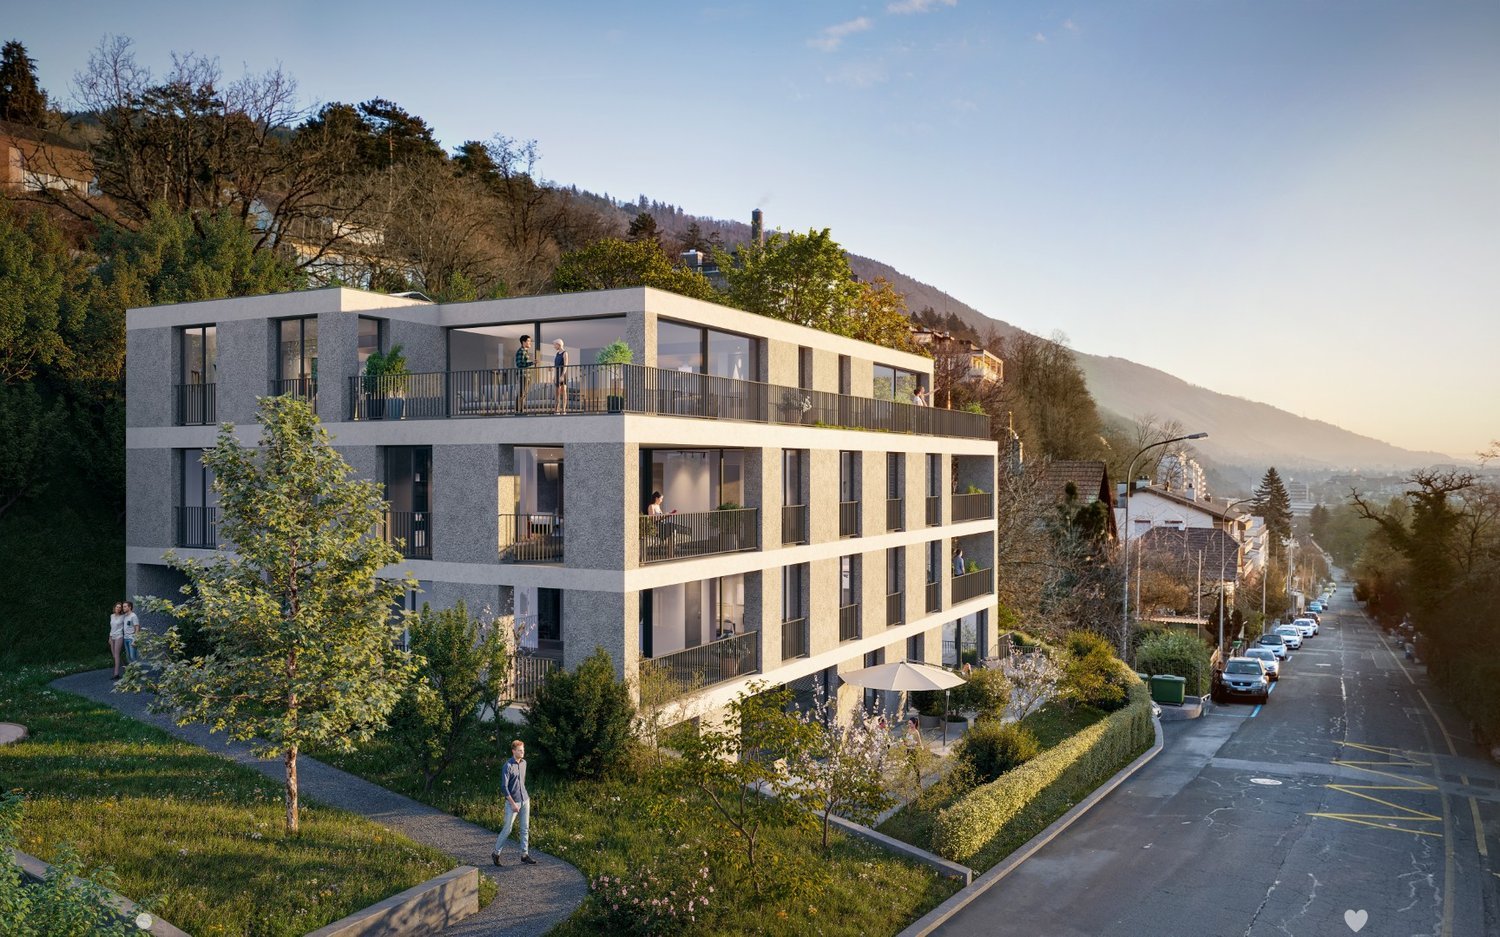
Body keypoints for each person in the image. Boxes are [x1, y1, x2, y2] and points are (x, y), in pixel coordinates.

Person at [492, 739, 537, 866]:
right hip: (513, 803)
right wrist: (512, 803)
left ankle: (524, 855)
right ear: (513, 751)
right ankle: (496, 853)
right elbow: (504, 787)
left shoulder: (524, 763)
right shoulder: (507, 766)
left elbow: (521, 782)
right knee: (507, 829)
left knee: (525, 828)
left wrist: (524, 798)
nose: (522, 752)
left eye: (523, 750)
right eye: (519, 750)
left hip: (525, 800)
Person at [647, 490, 680, 558]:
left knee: (672, 528)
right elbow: (652, 518)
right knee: (672, 526)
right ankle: (672, 550)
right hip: (656, 526)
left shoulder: (658, 506)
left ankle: (672, 551)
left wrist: (667, 514)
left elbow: (661, 516)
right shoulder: (651, 506)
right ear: (656, 498)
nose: (661, 500)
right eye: (661, 498)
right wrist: (663, 516)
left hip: (662, 524)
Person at [513, 335, 534, 413]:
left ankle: (520, 410)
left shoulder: (525, 351)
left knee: (524, 393)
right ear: (523, 342)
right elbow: (519, 364)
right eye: (528, 341)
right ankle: (518, 410)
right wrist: (532, 363)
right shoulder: (521, 351)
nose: (530, 342)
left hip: (527, 375)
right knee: (522, 392)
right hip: (523, 375)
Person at [551, 338, 569, 413]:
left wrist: (562, 375)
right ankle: (557, 409)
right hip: (557, 373)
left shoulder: (565, 353)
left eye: (555, 345)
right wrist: (555, 376)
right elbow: (556, 366)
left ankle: (564, 409)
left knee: (563, 391)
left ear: (558, 344)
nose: (554, 346)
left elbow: (565, 365)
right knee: (557, 392)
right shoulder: (557, 354)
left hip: (563, 373)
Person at [108, 602, 126, 679]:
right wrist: (109, 637)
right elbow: (111, 628)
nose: (118, 608)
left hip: (119, 636)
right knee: (114, 655)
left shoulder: (123, 616)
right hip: (112, 636)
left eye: (119, 607)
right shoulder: (111, 616)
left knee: (117, 654)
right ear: (114, 608)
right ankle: (126, 668)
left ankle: (116, 674)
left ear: (121, 609)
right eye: (117, 607)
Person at [121, 601, 141, 665]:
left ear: (129, 607)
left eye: (125, 606)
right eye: (123, 606)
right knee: (129, 657)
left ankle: (137, 670)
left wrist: (135, 640)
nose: (123, 608)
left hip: (131, 639)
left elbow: (137, 628)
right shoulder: (125, 616)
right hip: (125, 638)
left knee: (133, 657)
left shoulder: (133, 616)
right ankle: (132, 670)